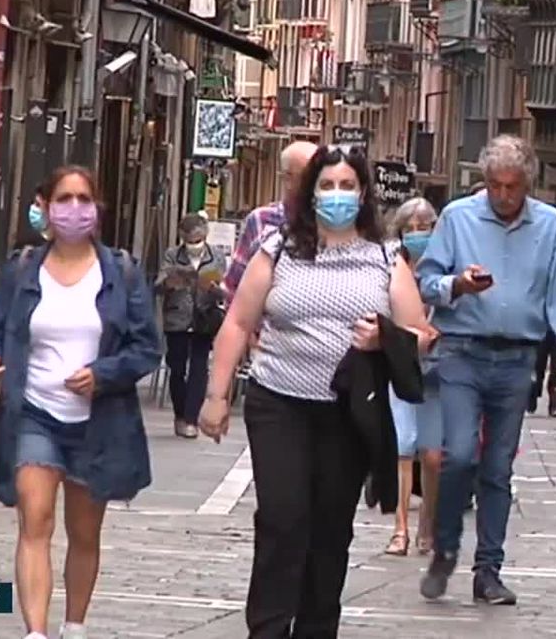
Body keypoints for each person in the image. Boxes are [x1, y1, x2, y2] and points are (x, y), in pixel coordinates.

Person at [197, 146, 432, 638]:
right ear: (311, 193)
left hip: (347, 413)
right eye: (327, 186)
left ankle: (316, 628)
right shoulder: (277, 249)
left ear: (363, 194)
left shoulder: (386, 258)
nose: (337, 196)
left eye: (347, 186)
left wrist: (382, 336)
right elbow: (239, 321)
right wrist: (216, 397)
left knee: (330, 531)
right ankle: (267, 628)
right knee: (283, 519)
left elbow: (421, 334)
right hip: (279, 402)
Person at [0, 166, 162, 639]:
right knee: (34, 520)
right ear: (45, 204)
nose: (74, 208)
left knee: (83, 533)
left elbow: (147, 347)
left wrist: (102, 375)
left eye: (83, 199)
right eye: (64, 198)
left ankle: (73, 626)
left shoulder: (120, 271)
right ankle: (35, 633)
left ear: (96, 207)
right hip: (34, 413)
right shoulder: (22, 270)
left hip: (97, 424)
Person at [416, 134, 556, 606]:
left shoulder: (551, 226)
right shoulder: (457, 217)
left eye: (513, 187)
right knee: (460, 454)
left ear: (527, 184)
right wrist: (458, 285)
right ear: (484, 181)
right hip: (462, 352)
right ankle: (445, 547)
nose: (504, 196)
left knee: (497, 469)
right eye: (495, 185)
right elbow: (426, 282)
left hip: (517, 359)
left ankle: (488, 570)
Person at [383, 197, 443, 557]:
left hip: (438, 368)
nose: (418, 235)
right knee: (403, 445)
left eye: (425, 227)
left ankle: (428, 523)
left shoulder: (446, 265)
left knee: (432, 454)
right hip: (401, 365)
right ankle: (400, 529)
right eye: (411, 229)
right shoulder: (391, 267)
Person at [222, 140, 319, 310]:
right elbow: (233, 288)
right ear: (286, 179)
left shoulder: (331, 224)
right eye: (309, 176)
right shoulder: (261, 220)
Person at [156, 213, 227, 438]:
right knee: (177, 368)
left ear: (205, 235)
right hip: (177, 319)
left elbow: (224, 288)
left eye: (198, 240)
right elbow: (158, 285)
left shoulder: (216, 256)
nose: (194, 245)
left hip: (203, 319)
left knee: (199, 368)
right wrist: (171, 281)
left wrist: (214, 288)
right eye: (190, 241)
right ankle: (180, 414)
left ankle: (190, 419)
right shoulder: (172, 255)